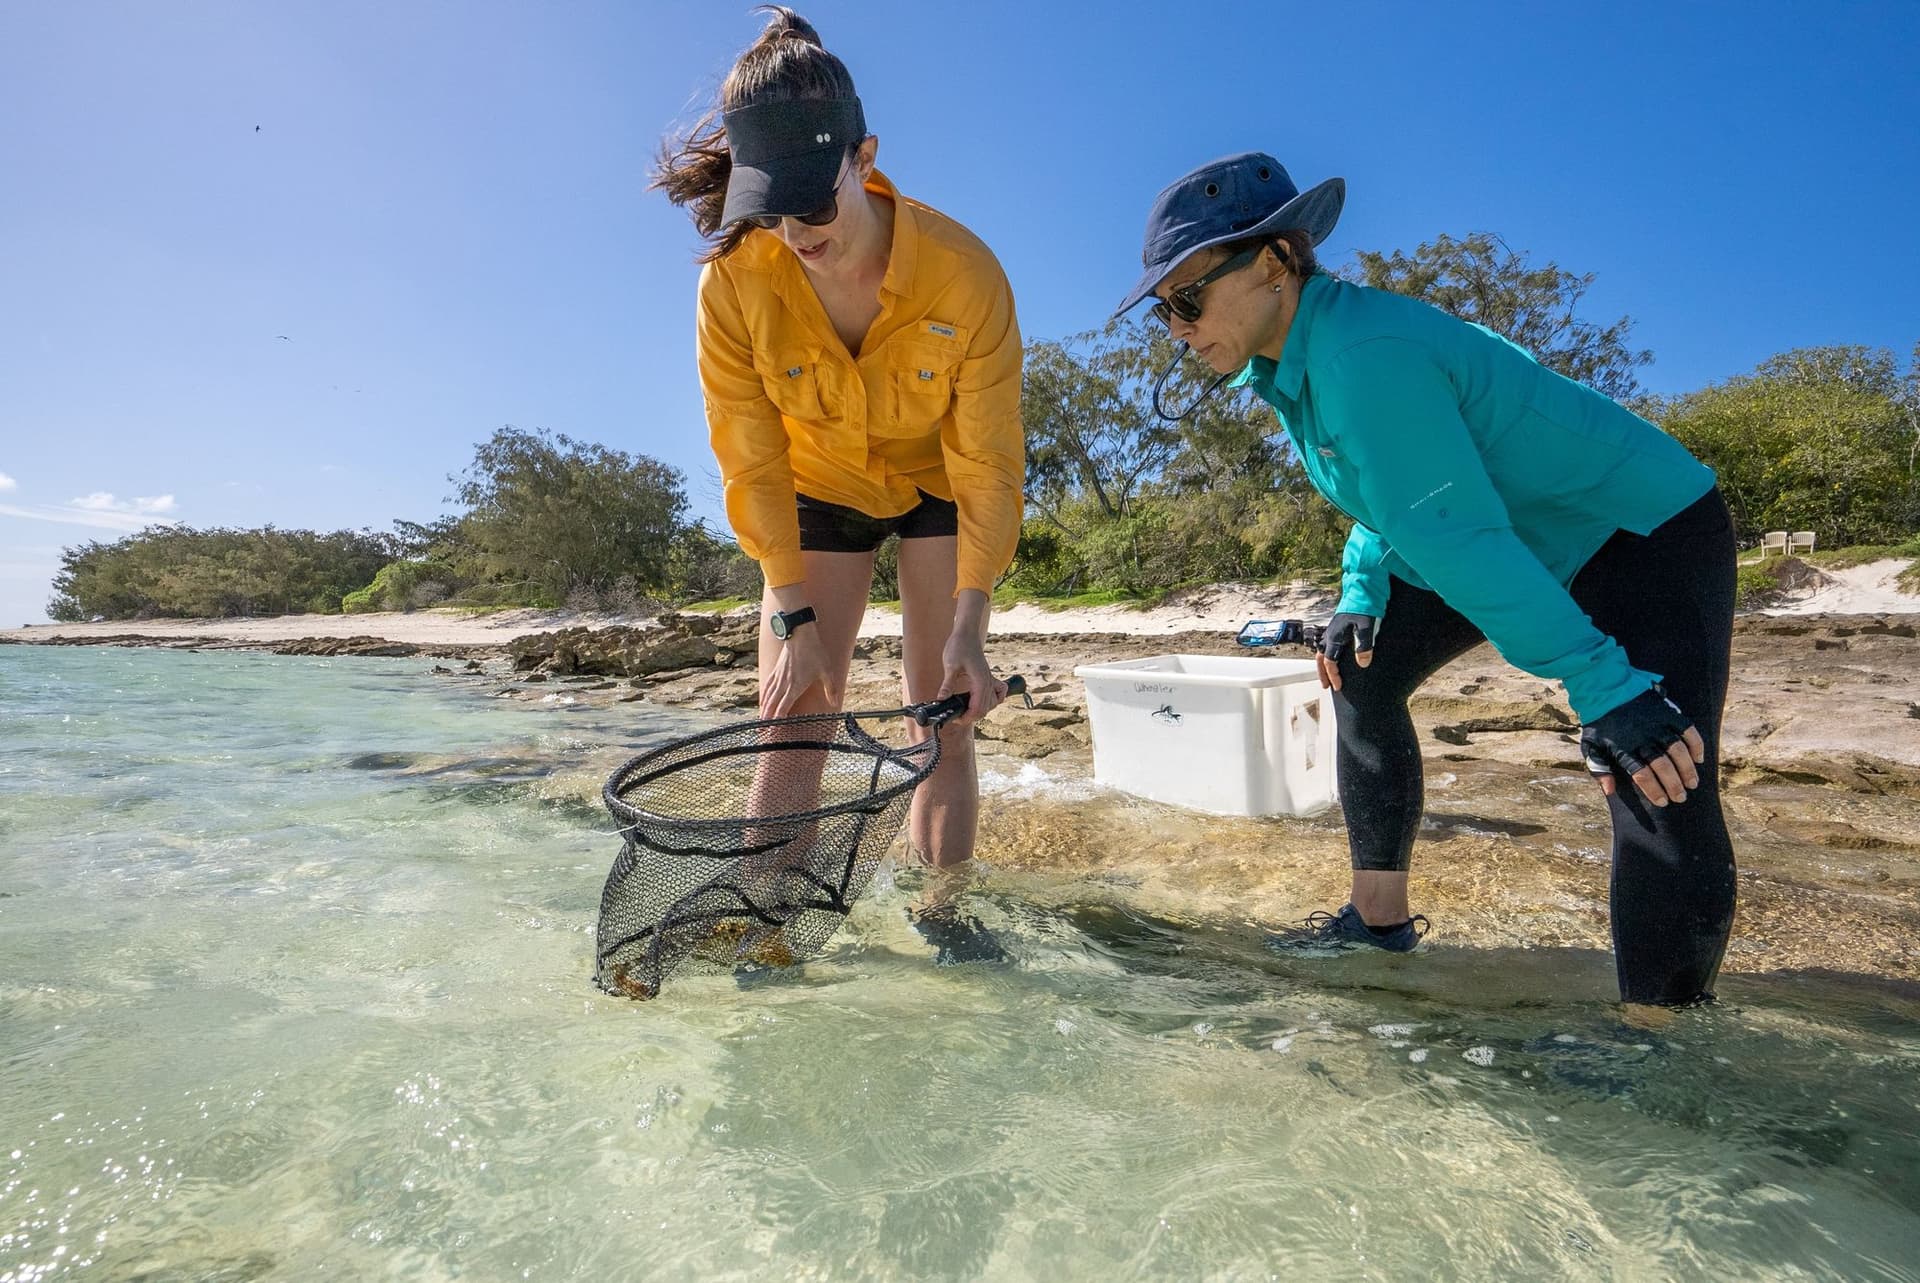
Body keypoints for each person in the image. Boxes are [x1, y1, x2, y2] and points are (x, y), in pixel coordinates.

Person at [1115, 152, 1736, 1006]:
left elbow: (1460, 538)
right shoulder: (1296, 363)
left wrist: (1601, 685)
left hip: (1639, 529)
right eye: (1164, 312)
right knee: (1362, 669)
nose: (1178, 327)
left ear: (1272, 264)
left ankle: (1659, 1047)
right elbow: (1389, 504)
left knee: (1654, 758)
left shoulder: (1360, 357)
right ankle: (1377, 923)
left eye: (1187, 298)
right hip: (1517, 532)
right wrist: (1360, 596)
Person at [654, 8, 1024, 959]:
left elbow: (987, 466)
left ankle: (944, 916)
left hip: (938, 479)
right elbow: (749, 455)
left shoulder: (968, 275)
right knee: (794, 704)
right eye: (769, 207)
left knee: (938, 705)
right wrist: (790, 616)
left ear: (865, 156)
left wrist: (973, 632)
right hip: (815, 487)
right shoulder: (731, 285)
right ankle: (766, 918)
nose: (794, 233)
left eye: (812, 205)